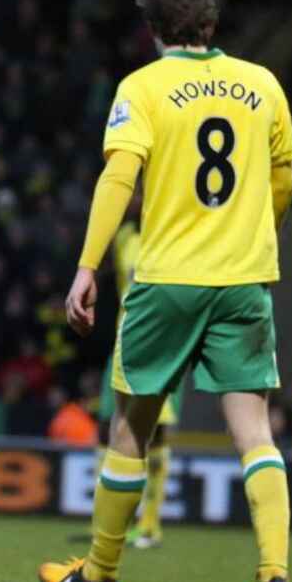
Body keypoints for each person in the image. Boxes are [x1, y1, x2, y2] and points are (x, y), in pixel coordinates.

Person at [40, 0, 292, 582]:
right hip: (244, 278)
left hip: (168, 278)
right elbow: (285, 176)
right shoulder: (262, 84)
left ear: (152, 29)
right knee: (255, 432)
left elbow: (118, 177)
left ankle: (98, 573)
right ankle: (273, 576)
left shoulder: (144, 86)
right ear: (211, 23)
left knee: (130, 428)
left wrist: (86, 267)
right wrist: (257, 236)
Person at [93, 210, 186, 550]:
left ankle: (149, 525)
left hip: (164, 347)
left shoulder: (177, 235)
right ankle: (110, 521)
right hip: (123, 343)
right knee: (106, 429)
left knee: (155, 436)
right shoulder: (124, 238)